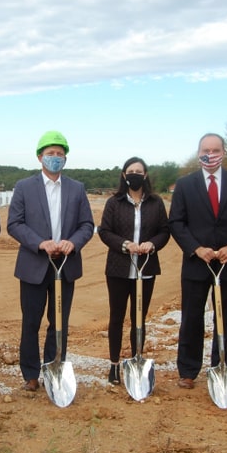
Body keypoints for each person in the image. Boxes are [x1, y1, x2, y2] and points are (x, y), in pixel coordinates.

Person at [168, 133, 227, 389]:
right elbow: (176, 222)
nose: (211, 154)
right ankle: (187, 370)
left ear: (224, 152)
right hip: (197, 264)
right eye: (206, 150)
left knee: (225, 318)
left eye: (216, 149)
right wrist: (196, 248)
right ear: (198, 153)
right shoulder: (185, 185)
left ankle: (220, 365)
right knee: (191, 318)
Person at [7, 130, 94, 391]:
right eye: (50, 154)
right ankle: (31, 375)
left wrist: (73, 243)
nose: (55, 158)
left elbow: (87, 224)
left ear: (65, 158)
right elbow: (14, 223)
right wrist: (39, 243)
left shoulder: (76, 189)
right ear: (39, 157)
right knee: (31, 321)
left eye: (59, 154)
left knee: (59, 323)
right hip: (34, 265)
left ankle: (54, 368)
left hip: (65, 266)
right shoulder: (24, 187)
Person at [97, 157, 170, 385]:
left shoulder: (156, 203)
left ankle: (137, 358)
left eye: (139, 171)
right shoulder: (114, 202)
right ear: (124, 175)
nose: (135, 174)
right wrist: (125, 244)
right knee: (116, 317)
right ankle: (114, 364)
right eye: (131, 171)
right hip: (119, 268)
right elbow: (105, 231)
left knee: (139, 318)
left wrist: (152, 244)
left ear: (145, 175)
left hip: (146, 269)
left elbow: (165, 231)